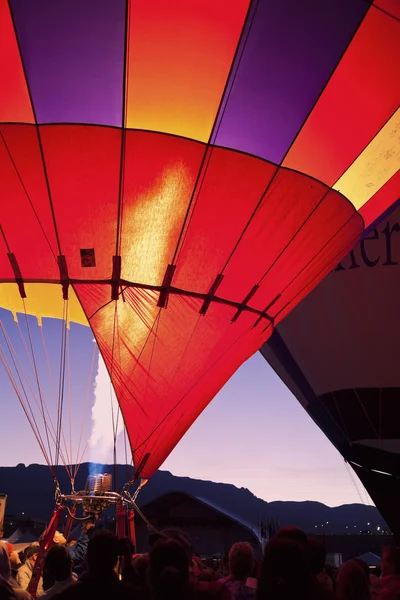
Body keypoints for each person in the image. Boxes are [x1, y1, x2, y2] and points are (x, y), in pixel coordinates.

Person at [51, 530, 133, 600]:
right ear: (116, 560)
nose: (62, 534)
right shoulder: (131, 594)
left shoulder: (66, 595)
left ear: (87, 558)